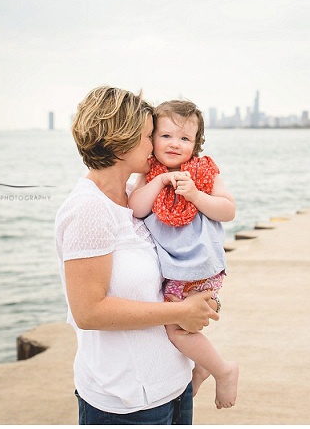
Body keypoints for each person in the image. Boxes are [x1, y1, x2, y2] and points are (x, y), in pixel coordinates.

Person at [55, 86, 219, 425]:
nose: (156, 146)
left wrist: (202, 303)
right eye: (149, 136)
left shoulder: (136, 197)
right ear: (121, 141)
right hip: (126, 401)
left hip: (174, 386)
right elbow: (88, 311)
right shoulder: (88, 209)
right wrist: (181, 311)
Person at [128, 100, 239, 410]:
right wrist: (160, 181)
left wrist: (195, 195)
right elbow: (136, 208)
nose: (175, 144)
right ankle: (203, 365)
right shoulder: (150, 171)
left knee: (177, 329)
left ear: (196, 143)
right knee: (181, 326)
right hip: (173, 268)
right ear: (151, 139)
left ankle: (222, 369)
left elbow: (228, 210)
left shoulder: (203, 170)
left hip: (201, 265)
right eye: (166, 136)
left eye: (185, 138)